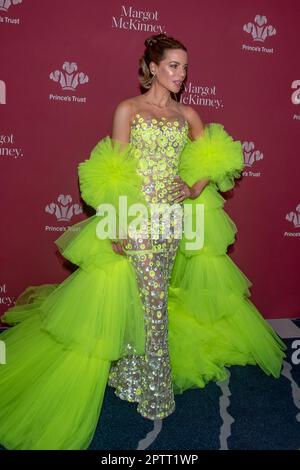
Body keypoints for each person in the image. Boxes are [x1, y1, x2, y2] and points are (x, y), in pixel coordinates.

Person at [0, 33, 286, 450]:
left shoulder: (187, 114)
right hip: (135, 217)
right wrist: (115, 222)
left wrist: (191, 187)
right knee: (144, 297)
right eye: (173, 65)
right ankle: (153, 386)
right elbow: (112, 170)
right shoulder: (128, 110)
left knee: (152, 298)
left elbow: (215, 158)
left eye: (185, 67)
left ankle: (134, 375)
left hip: (170, 220)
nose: (181, 75)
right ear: (152, 67)